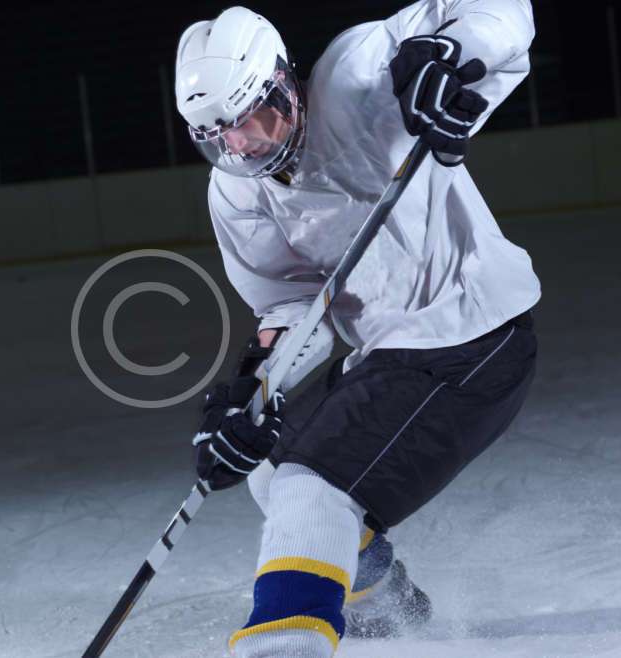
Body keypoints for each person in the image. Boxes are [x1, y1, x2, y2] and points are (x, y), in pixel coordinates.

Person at [177, 2, 540, 656]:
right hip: (391, 354)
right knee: (270, 468)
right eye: (215, 134)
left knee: (309, 488)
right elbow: (292, 307)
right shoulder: (236, 192)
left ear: (285, 86)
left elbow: (501, 11)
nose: (237, 145)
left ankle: (288, 638)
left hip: (473, 339)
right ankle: (385, 598)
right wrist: (250, 392)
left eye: (247, 118)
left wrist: (449, 58)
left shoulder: (360, 78)